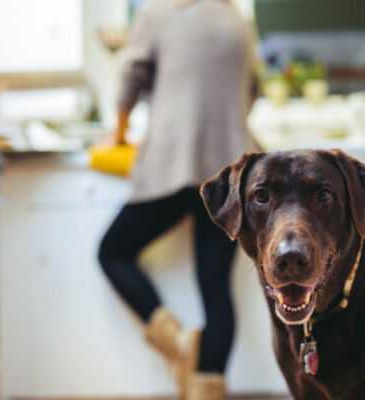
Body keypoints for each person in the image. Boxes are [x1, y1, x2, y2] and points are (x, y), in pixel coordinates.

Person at [97, 0, 258, 399]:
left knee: (112, 252)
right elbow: (251, 89)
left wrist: (117, 133)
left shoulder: (159, 12)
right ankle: (208, 391)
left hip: (174, 162)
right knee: (216, 289)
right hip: (230, 173)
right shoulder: (237, 19)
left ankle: (180, 344)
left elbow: (132, 75)